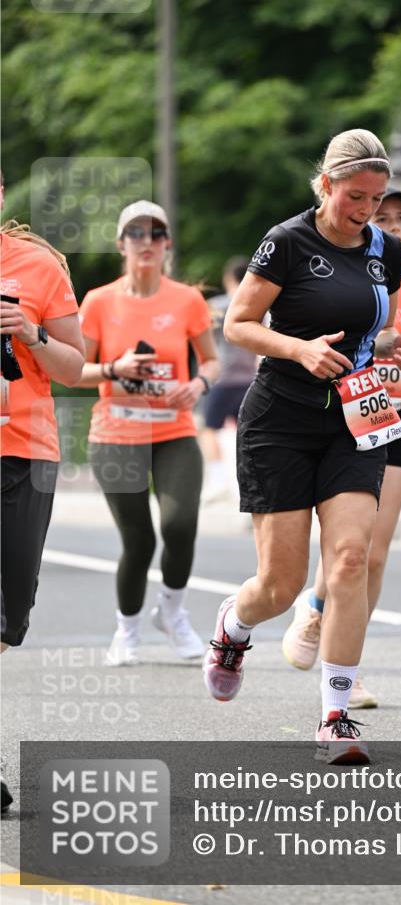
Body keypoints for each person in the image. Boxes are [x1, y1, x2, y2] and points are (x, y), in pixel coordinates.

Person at [202, 129, 401, 764]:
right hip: (281, 420)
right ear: (325, 185)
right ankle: (234, 626)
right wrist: (299, 348)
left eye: (377, 201)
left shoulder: (385, 250)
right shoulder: (287, 241)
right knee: (280, 582)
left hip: (356, 413)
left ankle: (335, 714)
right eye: (356, 197)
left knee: (350, 559)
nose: (367, 212)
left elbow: (370, 330)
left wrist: (387, 348)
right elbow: (236, 323)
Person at [282, 189, 401, 707]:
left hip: (397, 411)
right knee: (350, 544)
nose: (395, 225)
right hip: (351, 404)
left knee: (374, 553)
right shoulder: (344, 266)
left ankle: (339, 649)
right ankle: (319, 619)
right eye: (384, 217)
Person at [77, 200, 220, 667]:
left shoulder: (186, 300)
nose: (147, 242)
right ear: (121, 244)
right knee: (138, 541)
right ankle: (127, 630)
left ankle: (172, 613)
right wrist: (115, 368)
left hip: (173, 430)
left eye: (156, 233)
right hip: (116, 433)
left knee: (180, 526)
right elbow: (73, 369)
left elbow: (213, 360)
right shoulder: (99, 301)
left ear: (167, 245)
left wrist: (198, 383)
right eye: (136, 233)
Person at [1, 171, 85, 813]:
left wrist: (30, 334)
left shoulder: (36, 266)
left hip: (24, 452)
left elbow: (74, 367)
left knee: (9, 615)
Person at [200, 257, 257, 503]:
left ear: (228, 279)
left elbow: (203, 340)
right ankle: (250, 487)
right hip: (250, 380)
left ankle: (217, 479)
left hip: (222, 378)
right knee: (247, 436)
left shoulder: (217, 305)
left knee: (208, 428)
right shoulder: (258, 304)